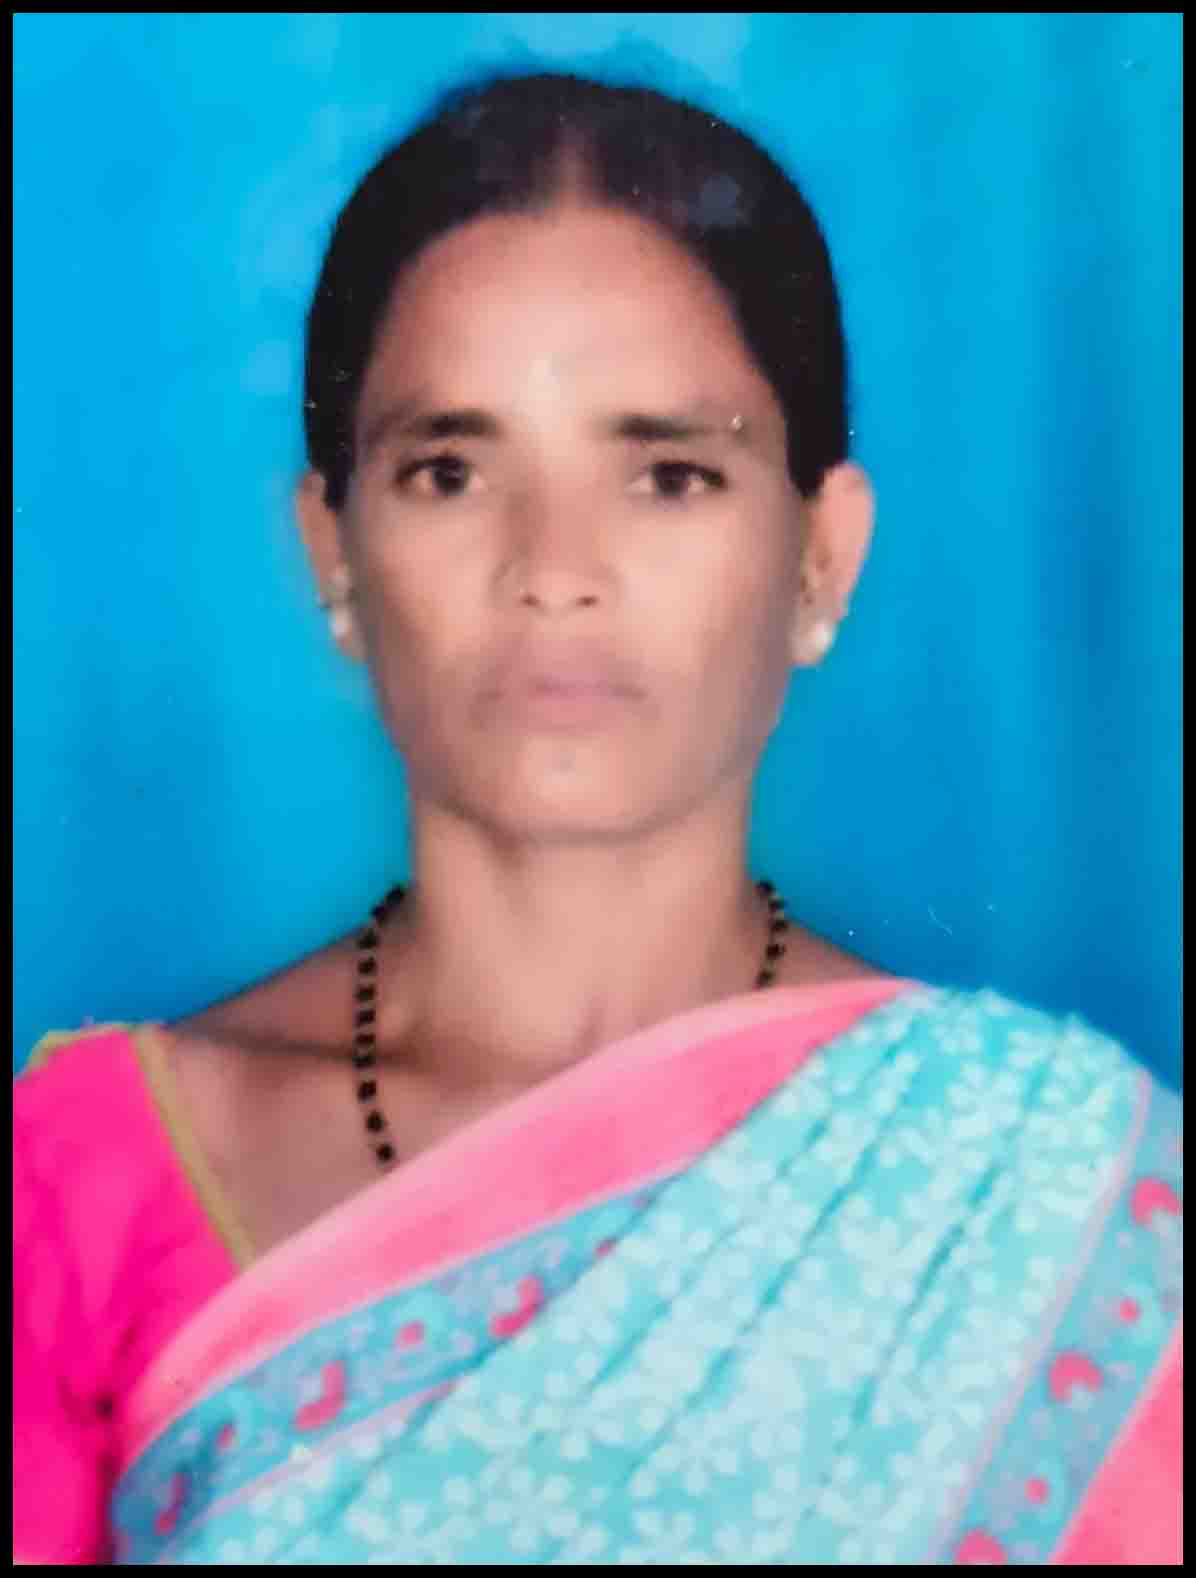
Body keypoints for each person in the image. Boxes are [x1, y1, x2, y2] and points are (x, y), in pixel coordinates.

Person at [13, 70, 1180, 1566]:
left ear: (821, 556)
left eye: (668, 476)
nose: (553, 570)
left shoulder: (1047, 1202)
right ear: (334, 554)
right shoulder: (91, 1177)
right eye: (449, 471)